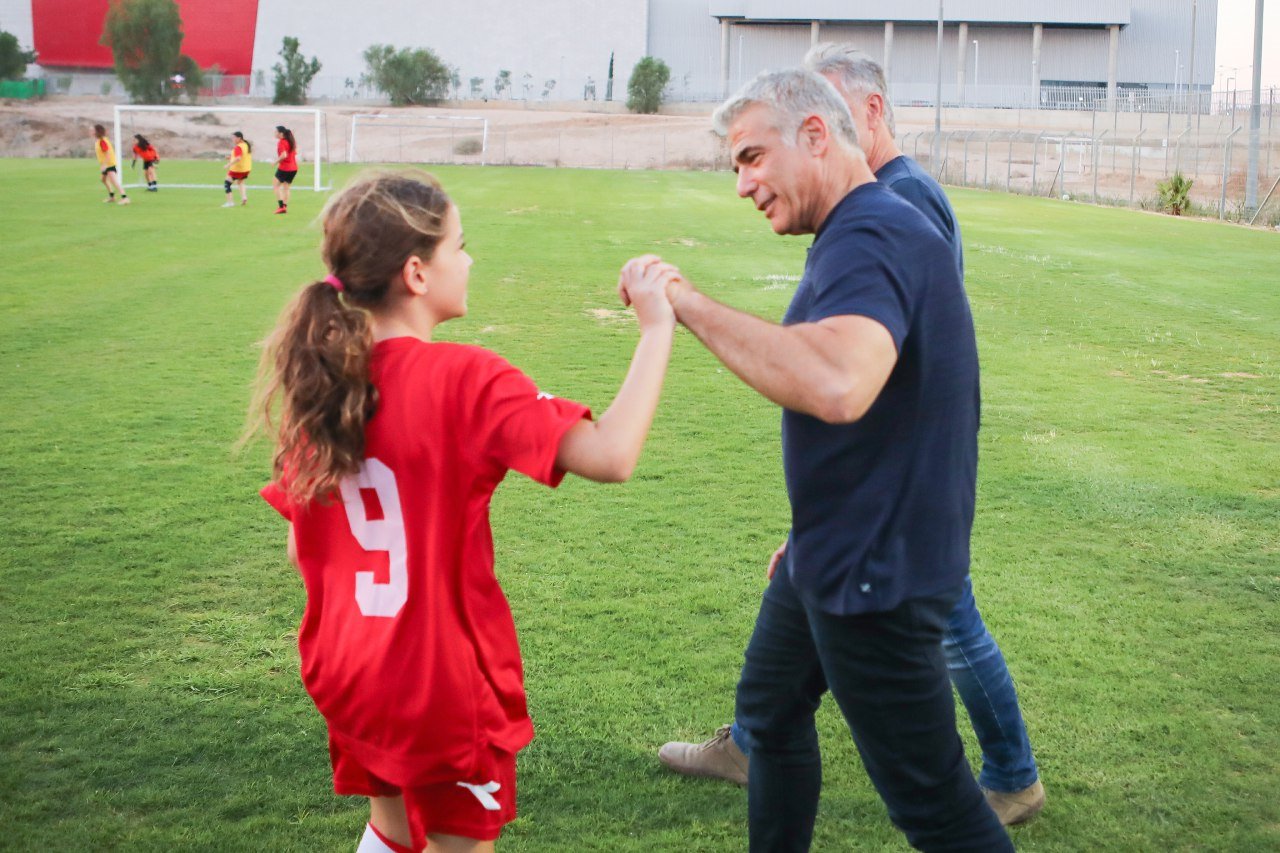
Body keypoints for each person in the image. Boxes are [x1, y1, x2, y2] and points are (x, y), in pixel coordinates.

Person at [658, 45, 1045, 828]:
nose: (742, 183)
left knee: (936, 804)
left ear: (814, 134)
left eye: (752, 157)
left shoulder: (875, 230)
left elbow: (840, 383)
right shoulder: (855, 228)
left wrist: (684, 302)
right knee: (766, 718)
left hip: (878, 574)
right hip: (832, 554)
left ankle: (1013, 776)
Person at [248, 169, 677, 853]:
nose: (470, 260)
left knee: (391, 835)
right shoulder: (463, 377)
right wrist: (657, 328)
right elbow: (613, 454)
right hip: (440, 684)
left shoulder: (322, 386)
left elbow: (313, 541)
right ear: (416, 273)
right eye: (460, 246)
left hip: (351, 667)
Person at [92, 124, 129, 205]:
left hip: (109, 164)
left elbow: (108, 153)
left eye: (93, 130)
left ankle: (125, 198)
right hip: (107, 164)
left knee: (114, 181)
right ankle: (112, 197)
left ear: (97, 131)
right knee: (103, 180)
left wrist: (104, 165)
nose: (91, 131)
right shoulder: (100, 140)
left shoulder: (102, 141)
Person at [272, 125, 298, 215]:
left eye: (275, 132)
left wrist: (275, 162)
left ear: (281, 133)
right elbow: (295, 152)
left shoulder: (281, 142)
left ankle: (280, 206)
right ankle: (284, 207)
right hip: (294, 168)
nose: (274, 133)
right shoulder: (291, 141)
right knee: (286, 187)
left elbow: (284, 155)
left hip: (285, 168)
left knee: (276, 185)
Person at [223, 131, 252, 207]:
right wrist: (230, 157)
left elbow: (238, 158)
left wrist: (228, 164)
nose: (232, 139)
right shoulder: (245, 145)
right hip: (246, 169)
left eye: (233, 138)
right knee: (240, 182)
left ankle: (230, 203)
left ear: (239, 138)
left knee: (227, 183)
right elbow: (242, 156)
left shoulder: (238, 147)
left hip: (237, 169)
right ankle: (244, 197)